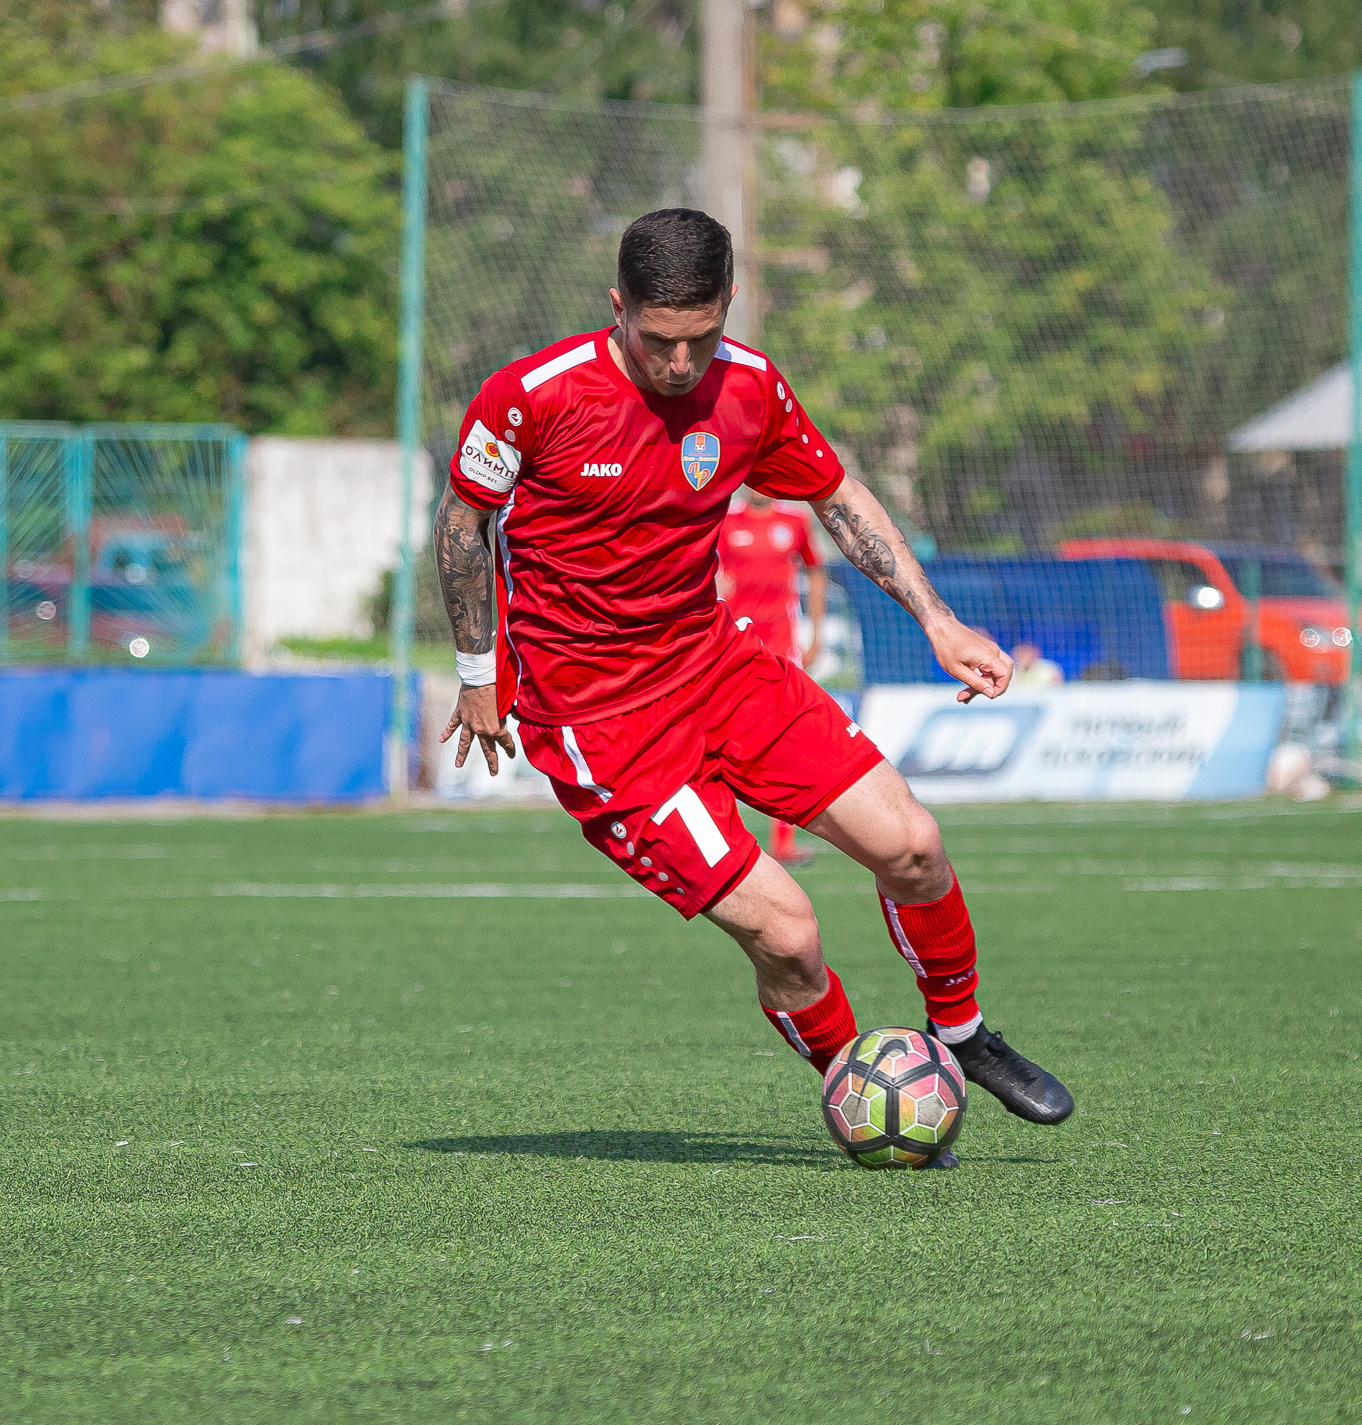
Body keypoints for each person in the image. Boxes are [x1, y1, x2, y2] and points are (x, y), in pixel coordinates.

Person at [436, 208, 1072, 1157]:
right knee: (788, 933)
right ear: (618, 307)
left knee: (913, 845)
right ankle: (868, 1093)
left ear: (728, 302)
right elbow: (462, 522)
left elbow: (836, 497)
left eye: (700, 338)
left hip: (718, 666)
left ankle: (963, 1036)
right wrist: (476, 670)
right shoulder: (531, 397)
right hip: (600, 723)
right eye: (658, 339)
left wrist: (937, 620)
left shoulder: (751, 385)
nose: (679, 363)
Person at [717, 487, 827, 865]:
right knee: (724, 736)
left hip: (782, 646)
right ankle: (722, 839)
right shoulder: (724, 519)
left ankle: (783, 843)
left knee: (787, 737)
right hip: (733, 645)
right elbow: (701, 567)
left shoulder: (795, 520)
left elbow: (815, 571)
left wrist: (816, 634)